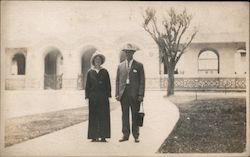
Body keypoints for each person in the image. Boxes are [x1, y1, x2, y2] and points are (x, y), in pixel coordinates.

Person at [115, 43, 145, 143]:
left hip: (135, 95)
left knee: (135, 115)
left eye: (130, 52)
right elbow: (118, 81)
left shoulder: (139, 65)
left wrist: (141, 95)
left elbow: (142, 81)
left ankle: (136, 135)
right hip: (123, 94)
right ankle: (125, 135)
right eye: (126, 52)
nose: (128, 54)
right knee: (124, 115)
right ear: (124, 53)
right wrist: (117, 93)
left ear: (133, 53)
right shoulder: (120, 66)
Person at [85, 51, 111, 142]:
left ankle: (103, 136)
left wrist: (108, 95)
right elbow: (87, 85)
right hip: (93, 97)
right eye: (96, 59)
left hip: (103, 97)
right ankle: (93, 136)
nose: (98, 61)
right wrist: (87, 96)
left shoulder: (105, 71)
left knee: (103, 116)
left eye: (99, 60)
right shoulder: (90, 72)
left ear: (101, 61)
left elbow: (108, 84)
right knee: (93, 116)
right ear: (93, 61)